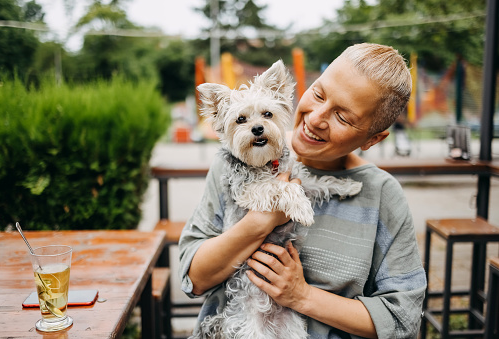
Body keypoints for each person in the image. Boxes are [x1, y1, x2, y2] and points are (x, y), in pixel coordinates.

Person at [179, 43, 427, 339]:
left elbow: (404, 320)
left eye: (343, 117)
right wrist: (260, 223)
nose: (315, 118)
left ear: (373, 139)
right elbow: (194, 278)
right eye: (319, 94)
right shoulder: (235, 163)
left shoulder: (383, 194)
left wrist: (302, 296)